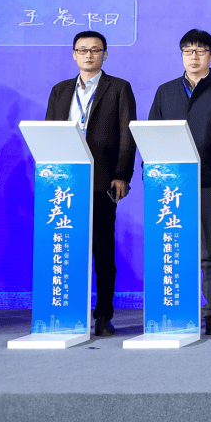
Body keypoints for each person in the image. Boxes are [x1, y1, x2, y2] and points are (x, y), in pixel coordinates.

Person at [148, 29, 211, 336]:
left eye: (200, 51)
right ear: (181, 55)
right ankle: (174, 308)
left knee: (210, 251)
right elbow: (152, 135)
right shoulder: (165, 92)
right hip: (171, 185)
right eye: (188, 51)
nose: (194, 57)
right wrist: (152, 175)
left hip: (210, 182)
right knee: (172, 247)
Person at [44, 30, 137, 337]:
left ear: (104, 55)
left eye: (95, 50)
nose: (88, 55)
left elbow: (127, 135)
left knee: (102, 250)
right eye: (82, 50)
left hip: (102, 181)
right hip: (65, 182)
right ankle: (67, 311)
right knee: (65, 247)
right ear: (74, 54)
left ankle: (104, 315)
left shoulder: (119, 87)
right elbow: (50, 132)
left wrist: (122, 175)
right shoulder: (60, 90)